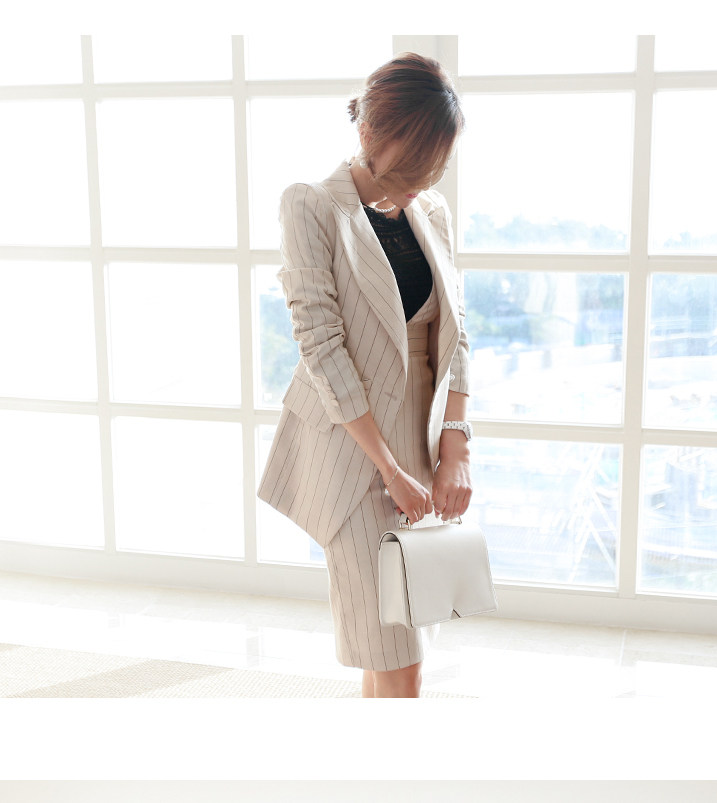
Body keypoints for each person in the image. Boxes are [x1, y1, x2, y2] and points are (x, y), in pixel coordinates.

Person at [257, 52, 472, 698]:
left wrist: (455, 451)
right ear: (369, 130)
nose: (417, 185)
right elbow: (322, 348)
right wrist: (389, 469)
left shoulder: (432, 213)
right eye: (409, 169)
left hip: (420, 449)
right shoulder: (311, 207)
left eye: (431, 169)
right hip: (354, 453)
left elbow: (455, 335)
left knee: (398, 650)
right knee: (395, 654)